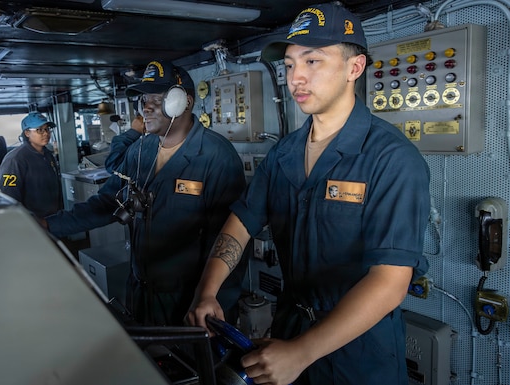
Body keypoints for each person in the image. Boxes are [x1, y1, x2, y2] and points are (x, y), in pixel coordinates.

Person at [185, 3, 431, 385]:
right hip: (290, 331)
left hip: (357, 354)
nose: (295, 77)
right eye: (288, 64)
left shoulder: (392, 159)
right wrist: (207, 290)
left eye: (312, 61)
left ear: (354, 68)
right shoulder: (284, 154)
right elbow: (241, 223)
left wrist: (302, 352)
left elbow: (389, 281)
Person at [44, 60, 248, 327]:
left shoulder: (216, 156)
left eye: (157, 97)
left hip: (188, 302)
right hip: (141, 291)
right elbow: (108, 202)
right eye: (144, 98)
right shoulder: (141, 150)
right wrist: (49, 224)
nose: (146, 106)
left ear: (184, 101)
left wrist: (213, 303)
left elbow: (229, 240)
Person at [0, 113, 62, 218]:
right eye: (40, 130)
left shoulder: (48, 155)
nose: (46, 133)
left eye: (47, 129)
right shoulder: (15, 159)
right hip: (33, 221)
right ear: (27, 133)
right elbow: (8, 195)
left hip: (53, 218)